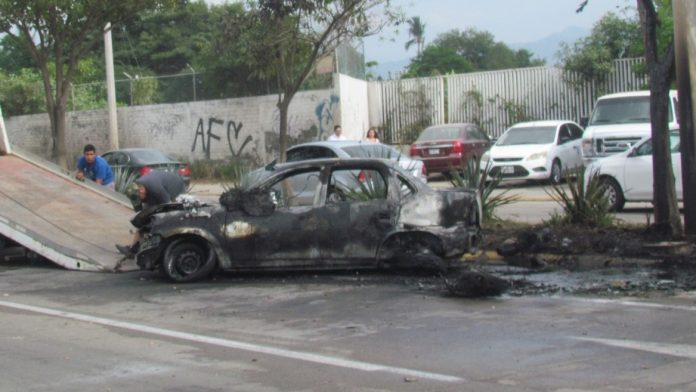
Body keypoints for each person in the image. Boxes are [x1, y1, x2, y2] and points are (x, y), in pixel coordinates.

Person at [116, 170, 186, 258]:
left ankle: (167, 249)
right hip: (155, 192)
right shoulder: (135, 191)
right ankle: (133, 250)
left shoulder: (155, 188)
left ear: (141, 190)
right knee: (145, 221)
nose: (139, 201)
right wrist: (142, 222)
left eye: (139, 199)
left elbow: (168, 206)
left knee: (164, 220)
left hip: (174, 190)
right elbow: (140, 213)